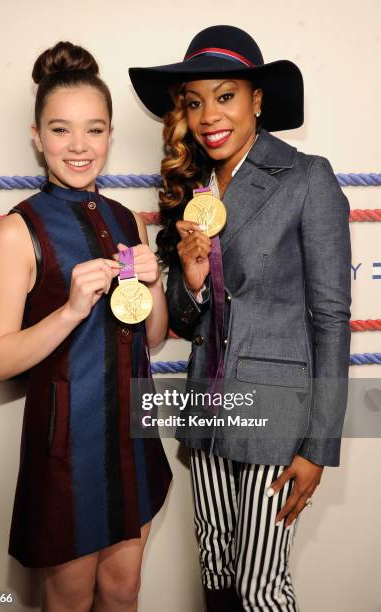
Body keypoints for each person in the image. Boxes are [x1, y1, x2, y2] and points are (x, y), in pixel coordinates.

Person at [129, 25, 351, 611]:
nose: (208, 116)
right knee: (217, 571)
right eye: (195, 101)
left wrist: (318, 446)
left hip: (277, 413)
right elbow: (182, 317)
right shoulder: (187, 190)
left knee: (259, 586)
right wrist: (194, 280)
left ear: (257, 100)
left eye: (225, 96)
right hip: (207, 409)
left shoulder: (307, 178)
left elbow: (331, 319)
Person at [0, 41, 172, 612]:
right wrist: (68, 311)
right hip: (68, 448)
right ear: (38, 136)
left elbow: (154, 338)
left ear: (111, 134)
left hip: (132, 432)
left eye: (95, 129)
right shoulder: (18, 230)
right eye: (61, 130)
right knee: (68, 599)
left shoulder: (126, 219)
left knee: (124, 590)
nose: (79, 146)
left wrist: (156, 281)